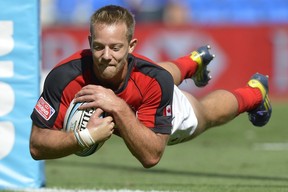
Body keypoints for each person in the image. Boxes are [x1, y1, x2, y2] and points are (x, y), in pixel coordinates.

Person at [30, 5, 272, 168]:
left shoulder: (154, 80)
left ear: (131, 45)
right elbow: (37, 146)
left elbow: (151, 156)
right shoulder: (63, 77)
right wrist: (85, 137)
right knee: (148, 76)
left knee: (203, 115)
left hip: (145, 103)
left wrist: (118, 107)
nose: (105, 55)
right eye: (99, 47)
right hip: (143, 81)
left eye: (115, 48)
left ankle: (254, 93)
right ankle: (192, 62)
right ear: (89, 42)